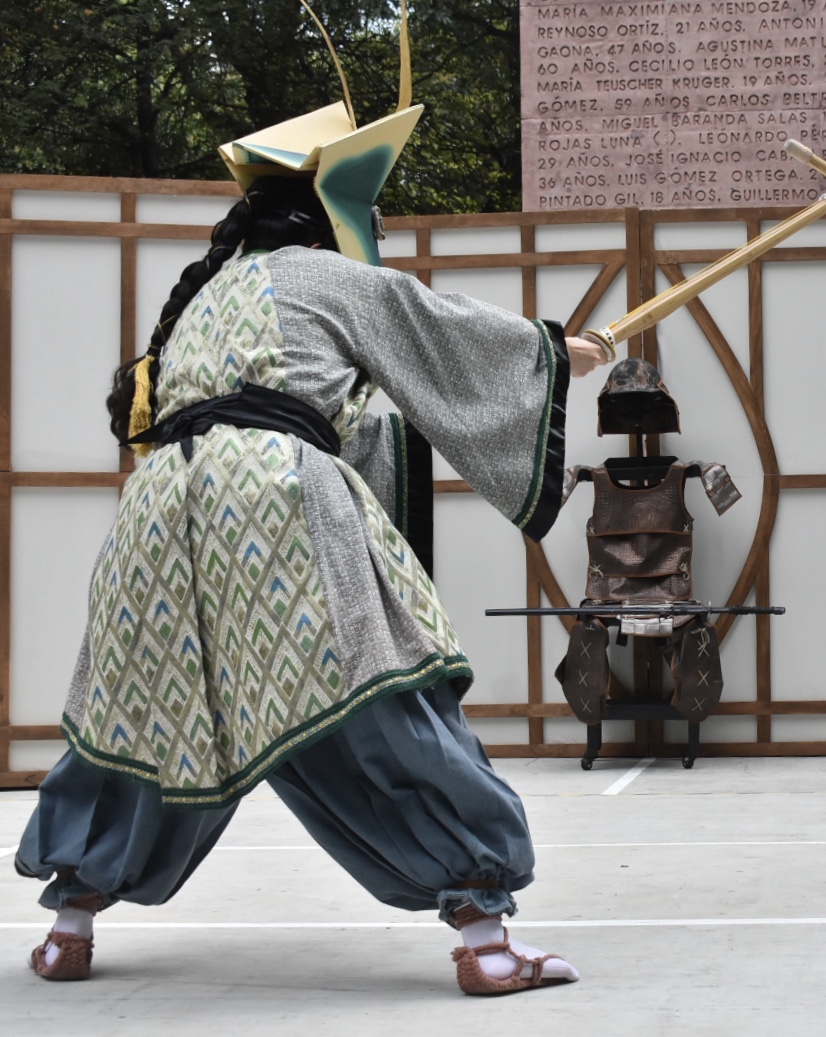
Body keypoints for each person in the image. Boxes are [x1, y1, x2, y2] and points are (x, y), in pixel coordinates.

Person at [16, 167, 610, 990]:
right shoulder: (327, 275)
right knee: (379, 692)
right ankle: (486, 939)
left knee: (143, 706)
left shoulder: (200, 300)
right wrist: (563, 353)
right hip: (269, 492)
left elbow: (325, 416)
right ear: (332, 225)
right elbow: (445, 334)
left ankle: (67, 926)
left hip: (158, 506)